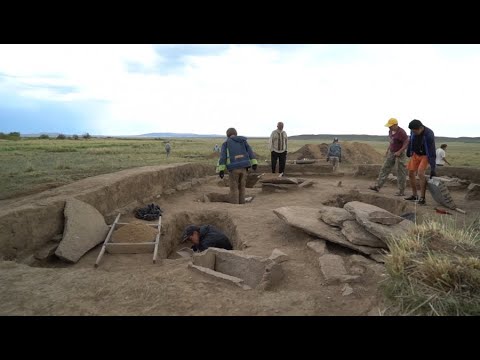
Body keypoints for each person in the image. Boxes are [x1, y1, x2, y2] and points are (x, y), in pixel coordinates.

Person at [217, 128, 258, 204]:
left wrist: (221, 169)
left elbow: (223, 157)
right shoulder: (243, 141)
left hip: (233, 169)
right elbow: (250, 152)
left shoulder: (226, 143)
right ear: (236, 133)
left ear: (227, 135)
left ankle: (235, 204)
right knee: (242, 186)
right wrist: (254, 163)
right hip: (244, 167)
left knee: (234, 187)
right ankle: (242, 202)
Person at [369, 118, 409, 196]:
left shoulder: (401, 132)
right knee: (385, 168)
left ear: (395, 125)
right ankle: (378, 186)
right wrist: (388, 150)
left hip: (400, 153)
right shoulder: (390, 131)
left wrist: (400, 151)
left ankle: (401, 191)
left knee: (400, 171)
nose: (389, 127)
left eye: (390, 126)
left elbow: (407, 142)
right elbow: (392, 142)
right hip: (392, 152)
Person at [405, 119, 436, 205]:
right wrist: (409, 150)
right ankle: (415, 195)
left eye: (415, 131)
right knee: (410, 173)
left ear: (421, 128)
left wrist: (433, 167)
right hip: (415, 154)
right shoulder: (413, 131)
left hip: (425, 155)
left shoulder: (429, 134)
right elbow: (411, 140)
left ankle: (422, 198)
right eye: (412, 131)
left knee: (420, 173)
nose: (413, 132)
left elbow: (432, 150)